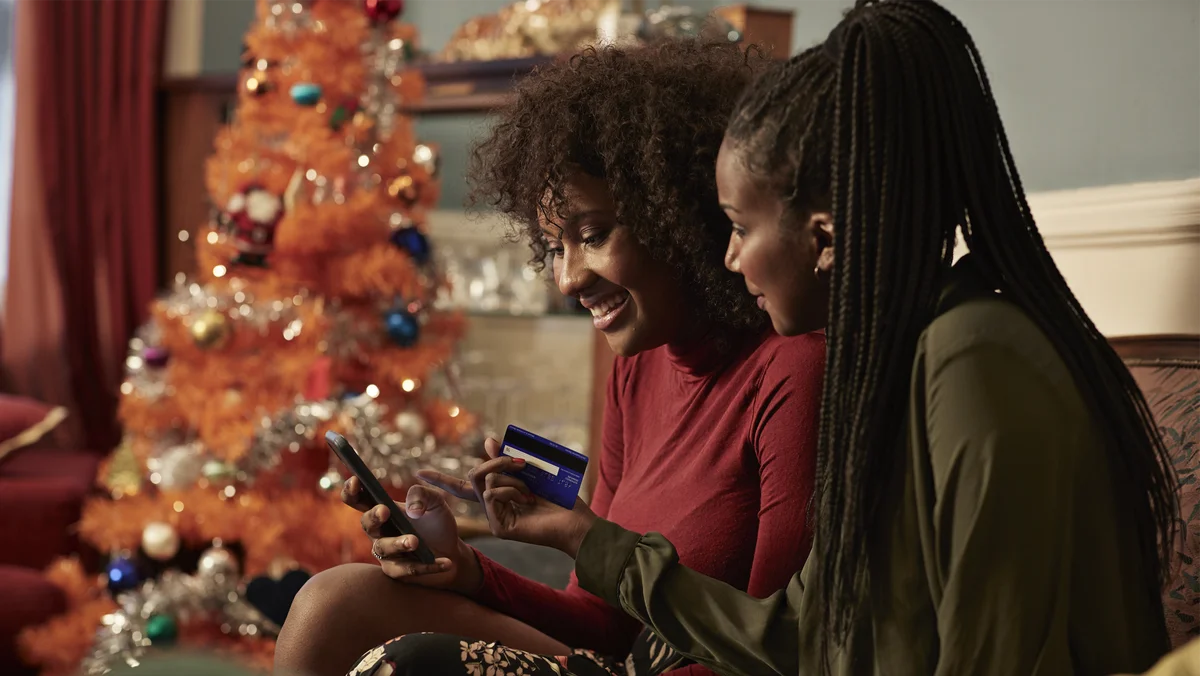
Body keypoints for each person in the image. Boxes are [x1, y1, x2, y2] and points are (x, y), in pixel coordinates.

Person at [421, 1, 1181, 675]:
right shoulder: (898, 360)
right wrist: (587, 541)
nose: (726, 256)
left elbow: (994, 653)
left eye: (740, 228)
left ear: (822, 237)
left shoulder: (973, 355)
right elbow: (799, 637)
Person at [273, 39, 828, 676]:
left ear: (680, 213)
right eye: (553, 248)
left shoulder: (793, 369)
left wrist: (582, 536)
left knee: (416, 664)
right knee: (331, 602)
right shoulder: (635, 369)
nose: (566, 280)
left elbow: (774, 654)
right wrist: (465, 571)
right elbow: (604, 626)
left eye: (591, 236)